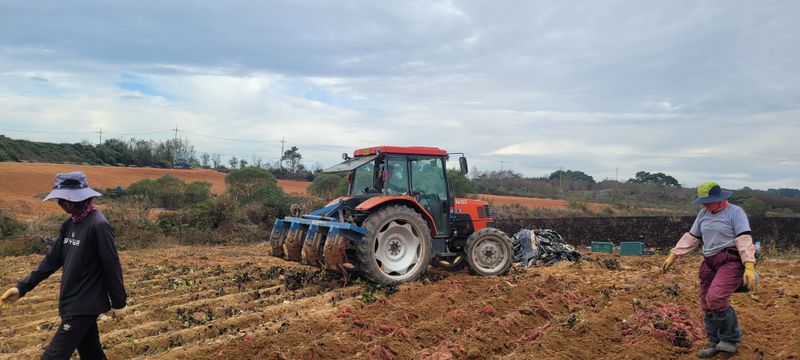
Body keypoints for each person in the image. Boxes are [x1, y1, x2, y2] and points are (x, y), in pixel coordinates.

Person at [0, 171, 127, 360]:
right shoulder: (70, 224)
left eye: (66, 199)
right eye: (60, 199)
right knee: (91, 353)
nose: (61, 204)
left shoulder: (98, 225)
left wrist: (119, 303)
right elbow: (51, 260)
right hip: (70, 300)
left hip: (84, 304)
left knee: (52, 357)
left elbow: (112, 266)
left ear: (82, 198)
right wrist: (22, 287)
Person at [661, 181, 757, 358]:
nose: (705, 204)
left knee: (716, 298)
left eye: (709, 201)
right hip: (710, 261)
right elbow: (692, 237)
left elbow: (744, 238)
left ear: (721, 199)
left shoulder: (735, 213)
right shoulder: (703, 214)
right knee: (706, 302)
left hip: (730, 260)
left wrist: (749, 266)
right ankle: (715, 342)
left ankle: (730, 340)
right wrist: (673, 255)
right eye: (703, 201)